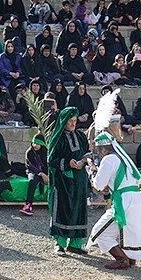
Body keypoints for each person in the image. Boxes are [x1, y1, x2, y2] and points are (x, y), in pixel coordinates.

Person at [88, 131, 141, 269]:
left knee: (99, 232)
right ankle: (131, 258)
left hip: (123, 199)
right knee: (131, 229)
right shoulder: (123, 157)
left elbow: (98, 185)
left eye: (99, 149)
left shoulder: (109, 159)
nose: (99, 152)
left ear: (103, 148)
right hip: (135, 197)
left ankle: (122, 259)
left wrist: (91, 171)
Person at [47, 107, 89, 256]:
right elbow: (51, 160)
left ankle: (75, 244)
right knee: (62, 211)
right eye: (70, 121)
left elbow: (87, 153)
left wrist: (84, 160)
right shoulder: (57, 137)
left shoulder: (81, 136)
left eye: (75, 121)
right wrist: (67, 163)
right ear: (63, 121)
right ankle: (60, 244)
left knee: (79, 210)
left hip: (79, 180)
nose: (73, 123)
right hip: (63, 181)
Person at [20, 134, 49, 216]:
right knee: (32, 181)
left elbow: (47, 164)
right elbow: (30, 165)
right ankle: (28, 205)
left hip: (44, 172)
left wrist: (48, 175)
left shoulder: (45, 151)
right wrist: (41, 174)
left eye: (38, 143)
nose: (35, 145)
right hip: (33, 172)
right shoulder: (29, 152)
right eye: (34, 143)